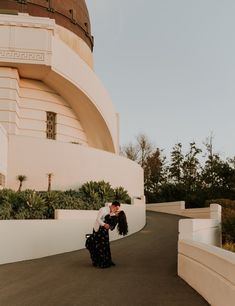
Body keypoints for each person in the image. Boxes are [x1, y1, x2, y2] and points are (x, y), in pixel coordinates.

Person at [86, 201, 128, 268]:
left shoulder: (111, 213)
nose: (117, 210)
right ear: (113, 206)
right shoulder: (103, 209)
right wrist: (104, 224)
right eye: (116, 208)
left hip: (104, 232)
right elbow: (98, 219)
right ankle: (99, 262)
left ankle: (107, 261)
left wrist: (110, 225)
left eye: (117, 209)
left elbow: (111, 222)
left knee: (105, 246)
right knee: (98, 246)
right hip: (98, 230)